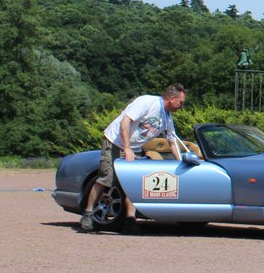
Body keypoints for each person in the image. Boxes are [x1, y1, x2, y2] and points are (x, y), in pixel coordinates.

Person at [80, 83, 187, 232]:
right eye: (181, 102)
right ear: (171, 98)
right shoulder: (147, 102)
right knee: (107, 178)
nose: (181, 106)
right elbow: (125, 121)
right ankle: (88, 214)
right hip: (115, 142)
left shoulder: (167, 117)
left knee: (134, 184)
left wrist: (181, 161)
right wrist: (127, 147)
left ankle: (130, 221)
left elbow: (172, 141)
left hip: (134, 148)